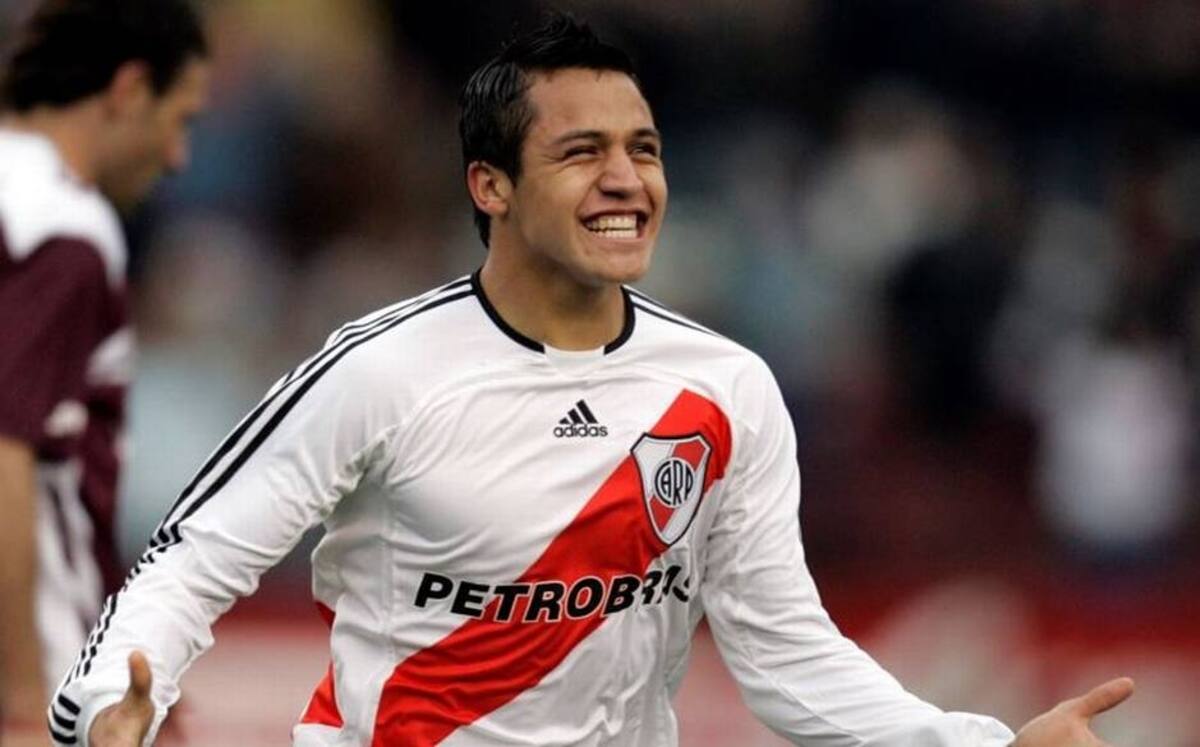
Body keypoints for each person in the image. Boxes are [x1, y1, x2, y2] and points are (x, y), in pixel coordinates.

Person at [53, 15, 1131, 747]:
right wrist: (109, 701)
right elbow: (192, 558)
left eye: (644, 149)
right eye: (582, 153)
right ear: (491, 186)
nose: (627, 180)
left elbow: (788, 657)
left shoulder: (726, 387)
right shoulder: (381, 369)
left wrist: (984, 742)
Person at [0, 1, 209, 744]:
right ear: (128, 89)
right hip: (42, 668)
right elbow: (8, 451)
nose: (178, 155)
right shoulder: (63, 228)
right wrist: (26, 698)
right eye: (180, 118)